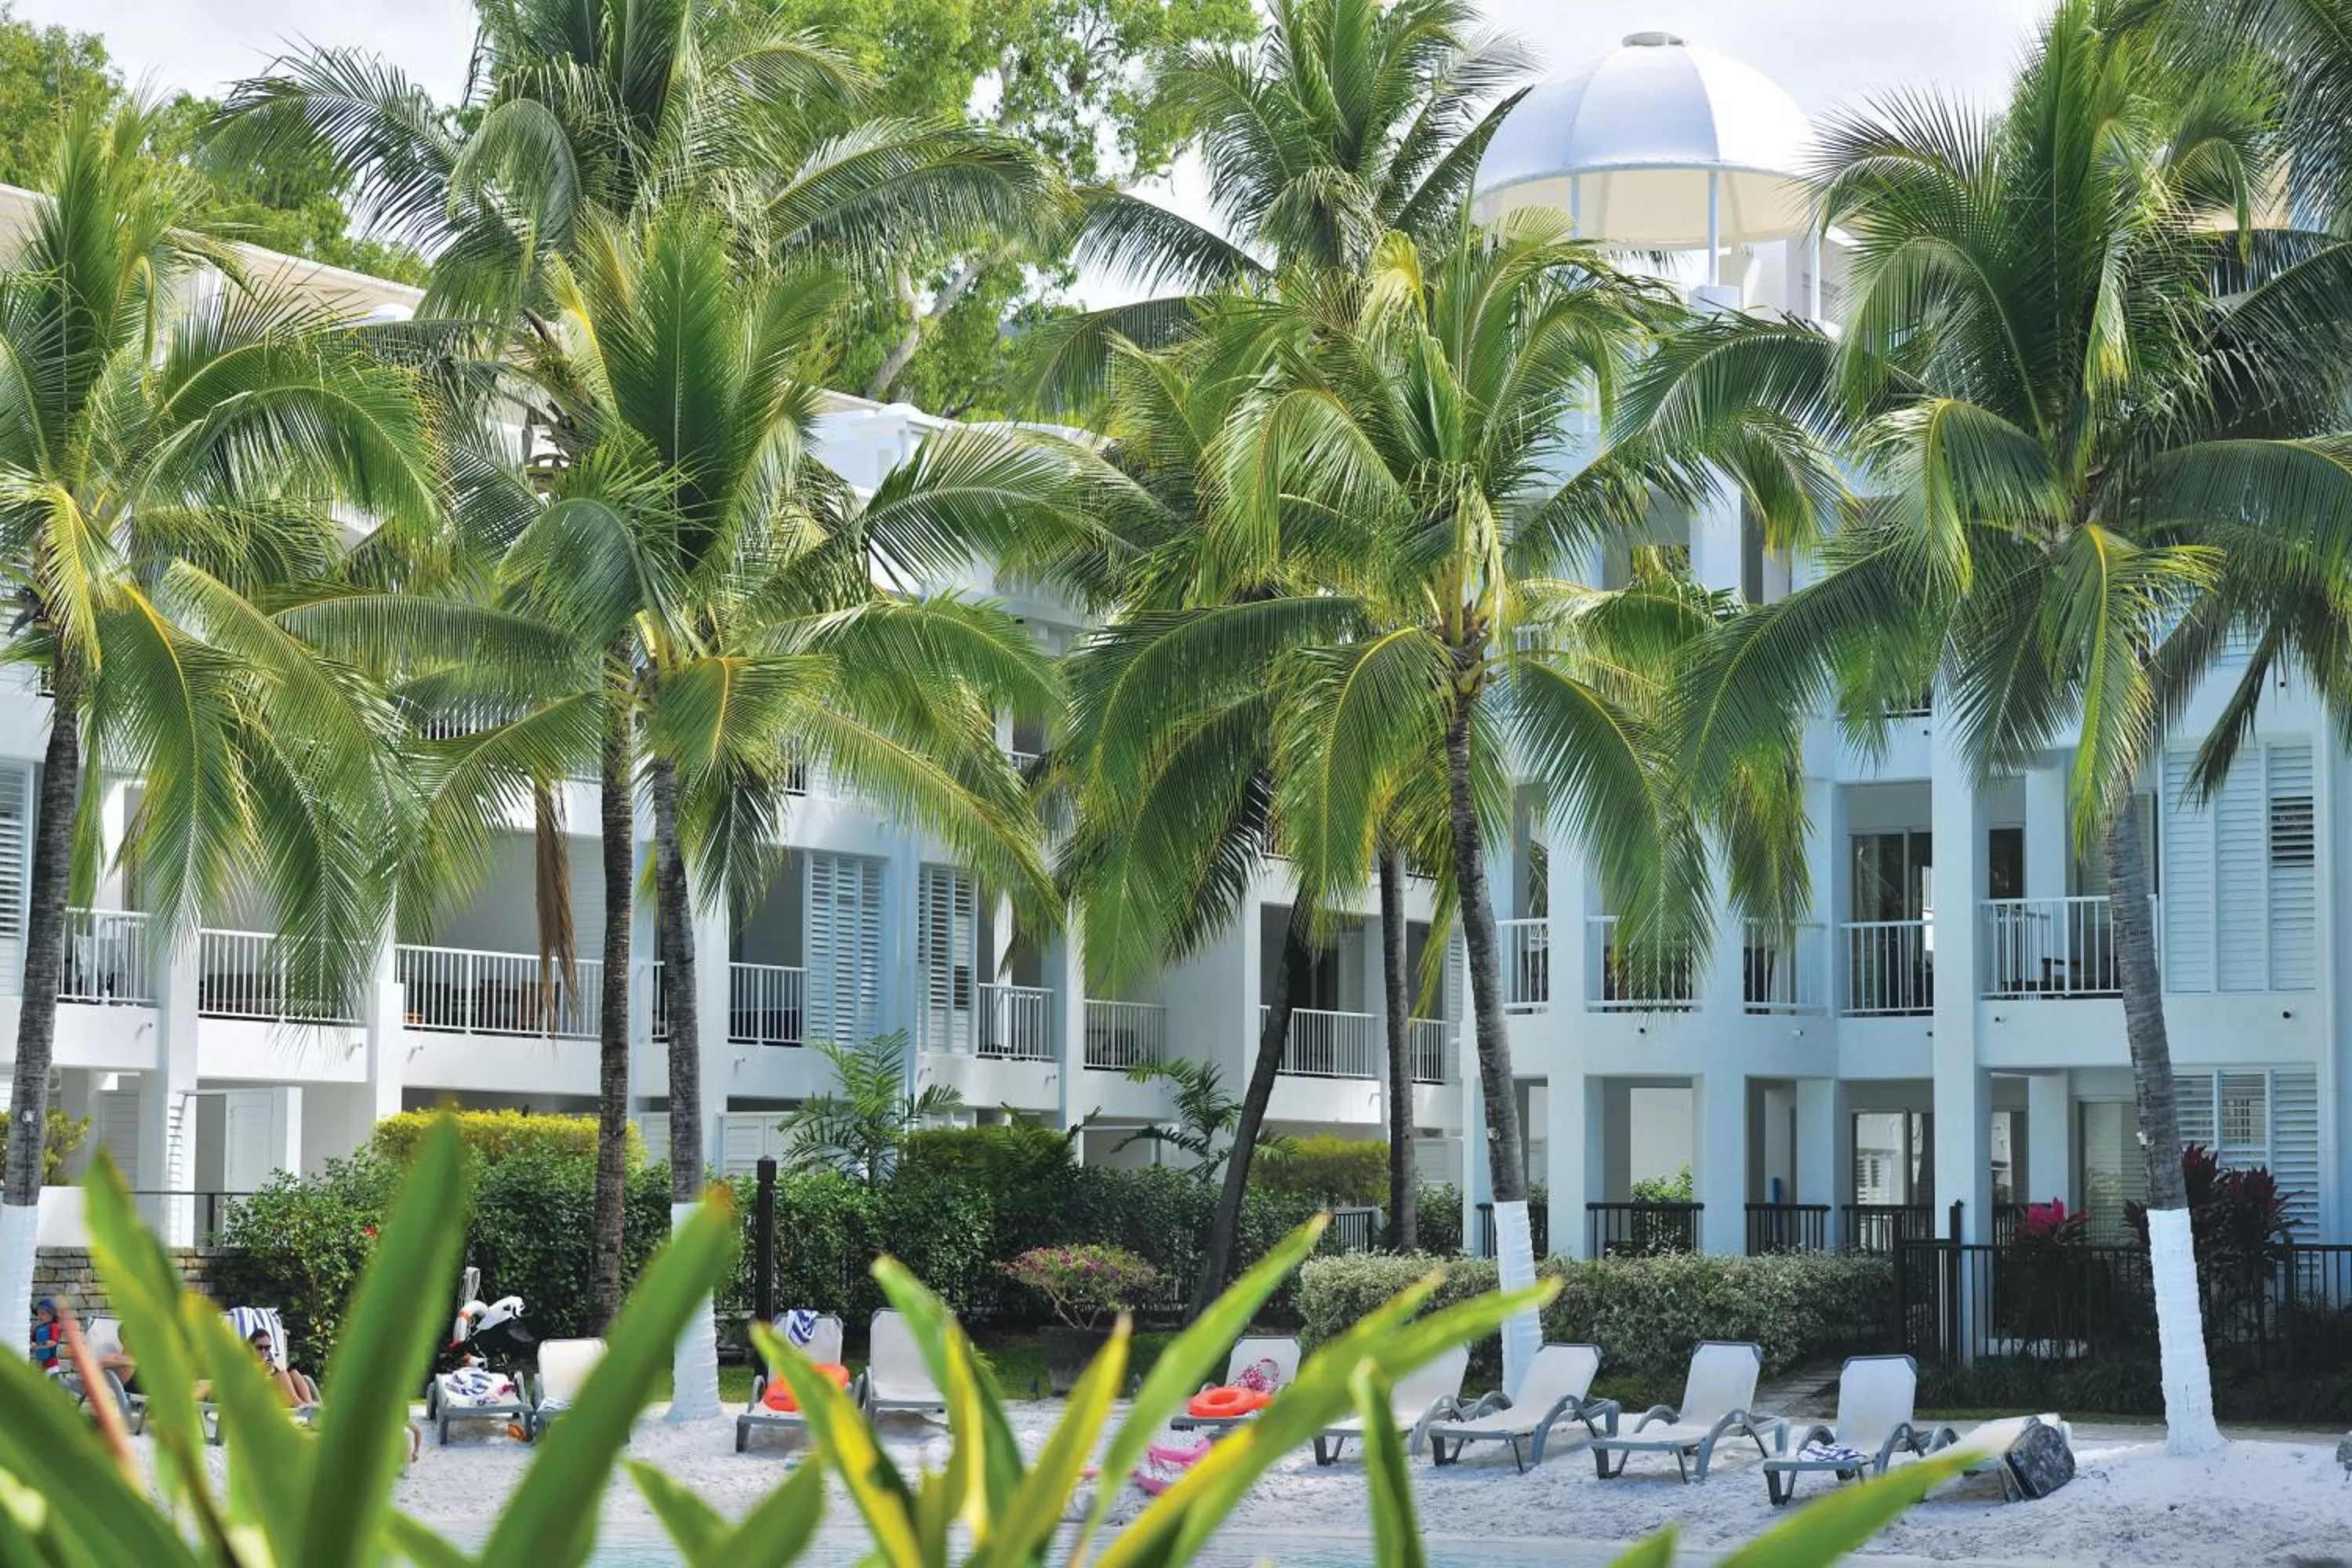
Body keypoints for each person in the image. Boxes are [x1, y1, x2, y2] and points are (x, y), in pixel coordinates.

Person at [249, 1329, 319, 1406]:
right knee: (282, 1375)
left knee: (294, 1373)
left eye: (267, 1348)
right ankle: (298, 1404)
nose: (264, 1351)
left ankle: (309, 1403)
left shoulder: (268, 1361)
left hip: (278, 1394)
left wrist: (273, 1370)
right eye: (259, 1348)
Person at [30, 1298, 59, 1371]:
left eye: (43, 1313)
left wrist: (37, 1345)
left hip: (51, 1365)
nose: (40, 1316)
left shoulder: (53, 1326)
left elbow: (53, 1343)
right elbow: (31, 1344)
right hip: (40, 1365)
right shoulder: (38, 1329)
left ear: (51, 1314)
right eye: (38, 1313)